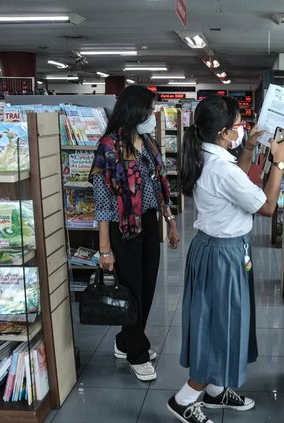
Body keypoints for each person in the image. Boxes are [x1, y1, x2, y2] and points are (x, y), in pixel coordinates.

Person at [167, 95, 284, 423]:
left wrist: (249, 149)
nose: (243, 129)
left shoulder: (208, 157)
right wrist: (279, 163)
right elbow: (266, 206)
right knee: (219, 327)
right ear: (224, 132)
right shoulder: (220, 168)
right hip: (222, 256)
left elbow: (233, 187)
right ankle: (185, 398)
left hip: (218, 250)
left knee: (222, 320)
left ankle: (214, 389)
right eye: (239, 125)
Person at [89, 85, 180, 381]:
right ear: (134, 112)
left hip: (150, 221)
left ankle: (124, 340)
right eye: (149, 111)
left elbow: (158, 186)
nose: (153, 116)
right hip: (122, 227)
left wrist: (171, 220)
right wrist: (105, 248)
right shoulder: (109, 146)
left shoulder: (148, 142)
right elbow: (103, 202)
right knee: (131, 288)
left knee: (147, 286)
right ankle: (137, 353)